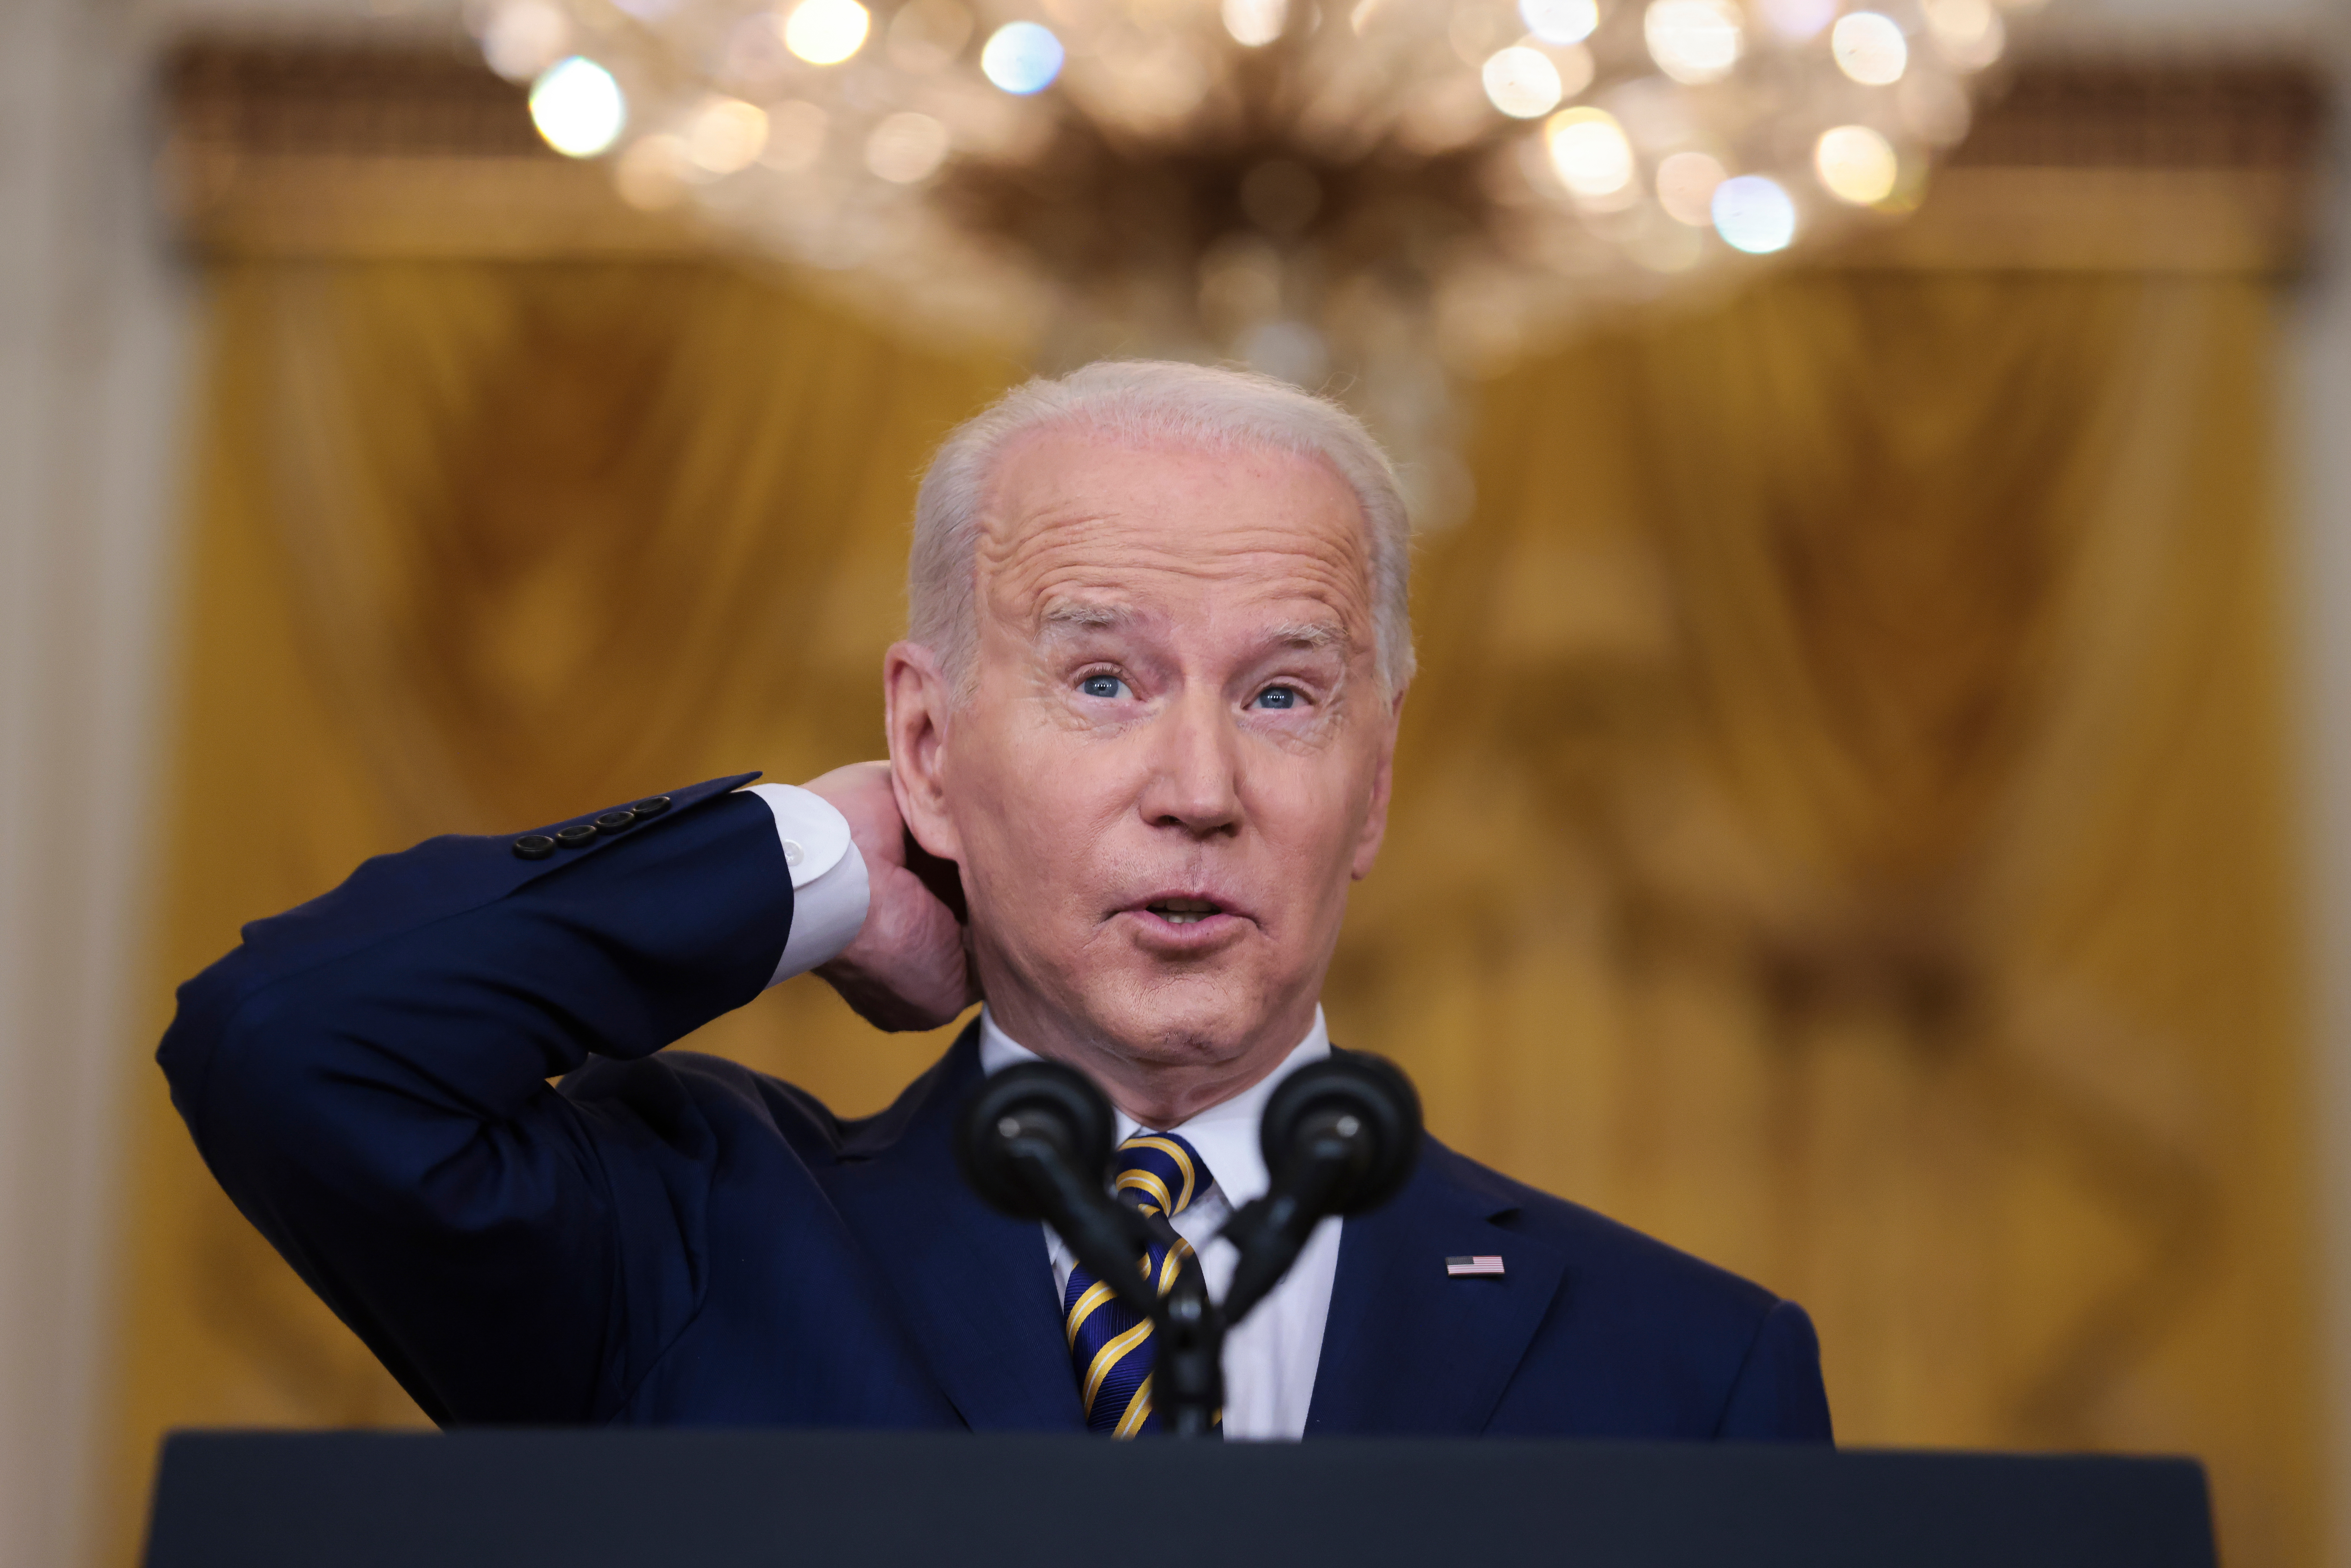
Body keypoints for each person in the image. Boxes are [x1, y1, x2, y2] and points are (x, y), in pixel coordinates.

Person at [159, 361, 1832, 1442]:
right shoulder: (693, 1246)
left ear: (1377, 785)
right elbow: (291, 1046)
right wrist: (811, 861)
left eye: (1282, 697)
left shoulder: (1691, 1373)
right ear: (929, 737)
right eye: (1103, 679)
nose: (1198, 786)